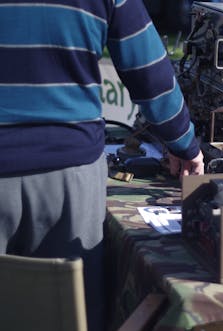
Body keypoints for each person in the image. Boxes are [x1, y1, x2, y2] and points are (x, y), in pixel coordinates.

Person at [0, 1, 204, 330]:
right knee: (71, 315)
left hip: (64, 169)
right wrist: (183, 142)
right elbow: (148, 71)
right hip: (69, 175)